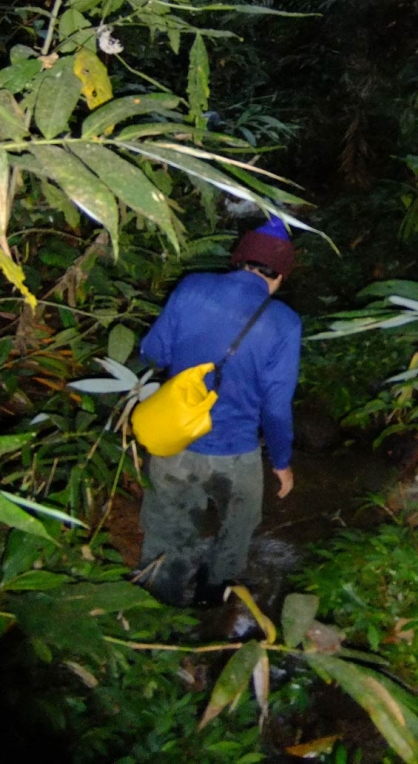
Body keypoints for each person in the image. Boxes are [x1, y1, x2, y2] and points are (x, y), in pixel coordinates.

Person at [136, 216, 302, 606]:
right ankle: (214, 604)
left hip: (176, 442)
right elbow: (276, 407)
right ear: (281, 274)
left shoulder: (192, 289)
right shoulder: (285, 322)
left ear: (239, 259)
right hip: (237, 454)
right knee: (237, 532)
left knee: (168, 530)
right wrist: (282, 462)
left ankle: (158, 612)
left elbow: (152, 352)